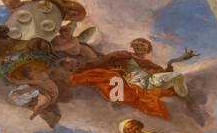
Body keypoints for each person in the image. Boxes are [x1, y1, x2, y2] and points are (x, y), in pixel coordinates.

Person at [69, 39, 197, 119]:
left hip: (150, 80)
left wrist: (180, 59)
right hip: (135, 81)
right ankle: (183, 97)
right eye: (138, 45)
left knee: (177, 76)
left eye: (143, 46)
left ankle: (185, 97)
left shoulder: (149, 63)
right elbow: (105, 60)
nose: (140, 47)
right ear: (133, 46)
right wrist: (86, 66)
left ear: (148, 49)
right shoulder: (124, 55)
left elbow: (164, 71)